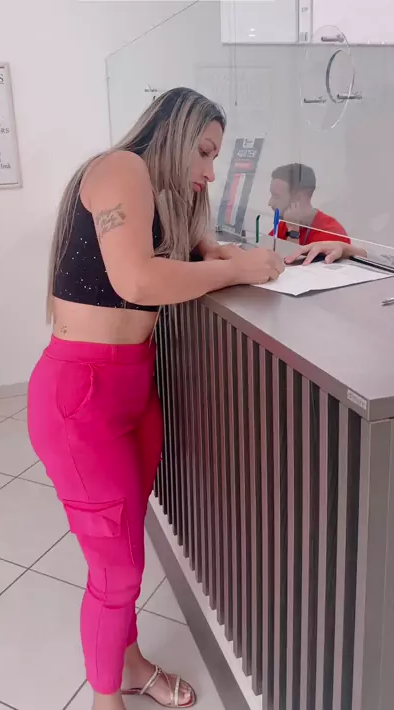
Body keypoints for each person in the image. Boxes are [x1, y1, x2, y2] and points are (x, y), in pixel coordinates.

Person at [27, 87, 284, 710]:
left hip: (132, 391)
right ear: (175, 132)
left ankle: (131, 664)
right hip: (83, 396)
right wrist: (236, 268)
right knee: (116, 569)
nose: (211, 170)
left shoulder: (159, 197)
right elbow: (137, 279)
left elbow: (184, 257)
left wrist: (219, 252)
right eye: (205, 151)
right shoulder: (122, 168)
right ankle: (105, 699)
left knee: (122, 551)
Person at [268, 163, 350, 246]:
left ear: (298, 197)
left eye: (276, 196)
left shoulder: (332, 235)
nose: (270, 203)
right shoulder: (286, 224)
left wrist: (293, 231)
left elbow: (289, 255)